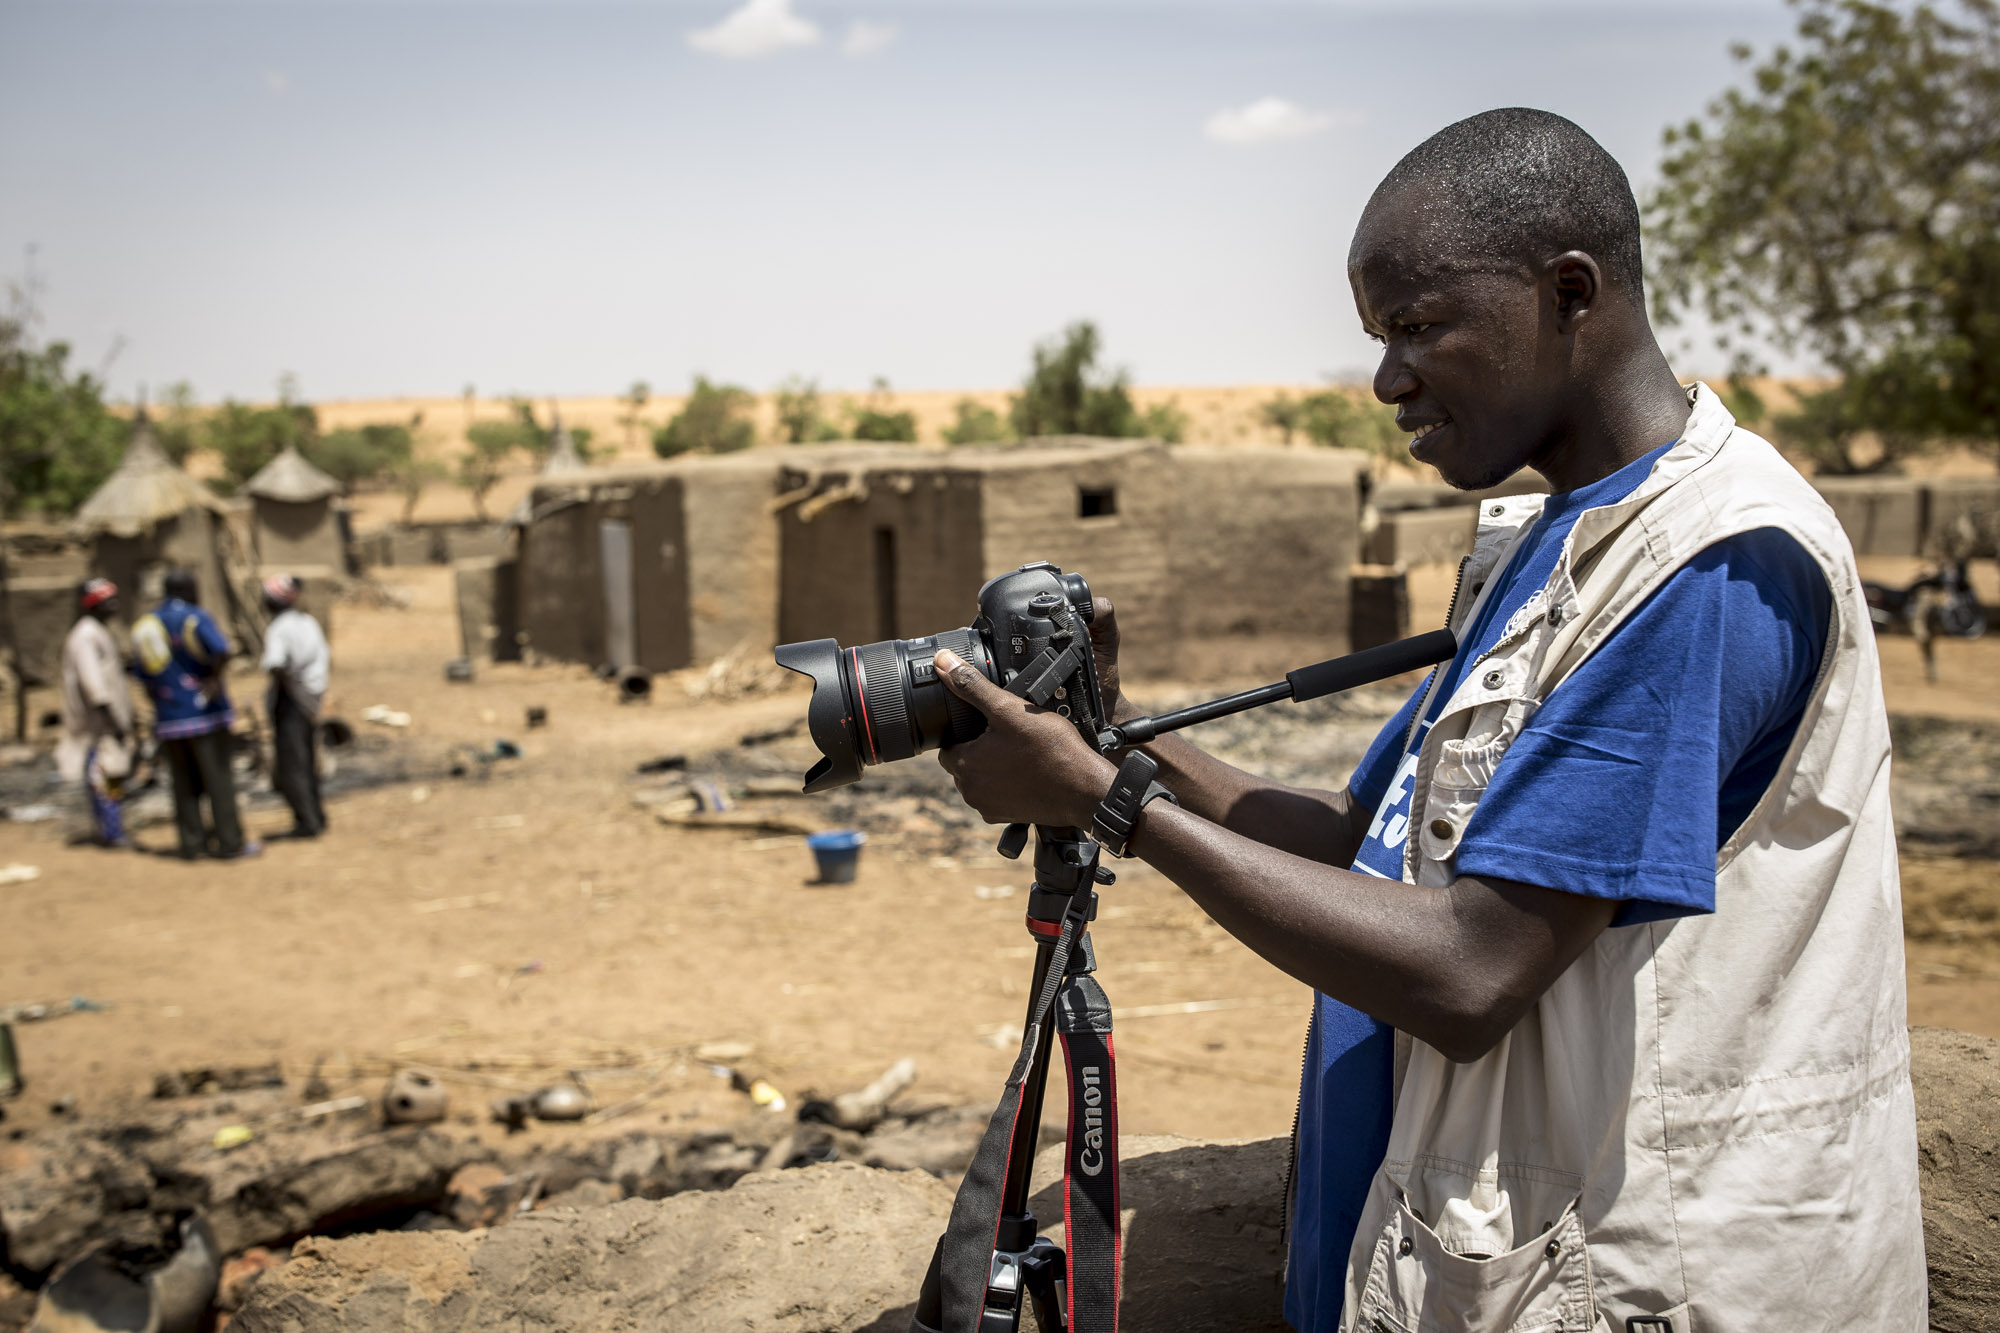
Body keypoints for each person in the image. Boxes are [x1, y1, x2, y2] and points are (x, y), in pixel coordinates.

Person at [928, 108, 1924, 1331]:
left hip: (1639, 1282)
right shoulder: (1554, 538)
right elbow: (1364, 846)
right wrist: (1123, 734)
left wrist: (1104, 803)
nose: (1385, 378)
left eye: (1415, 327)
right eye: (1375, 335)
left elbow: (1468, 968)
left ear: (1569, 293)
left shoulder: (1704, 569)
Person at [133, 569, 260, 860]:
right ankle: (230, 842)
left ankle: (192, 842)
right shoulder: (194, 618)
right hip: (205, 714)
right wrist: (213, 680)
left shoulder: (147, 625)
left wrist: (161, 697)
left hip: (168, 718)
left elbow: (141, 671)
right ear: (189, 589)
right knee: (218, 781)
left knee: (183, 783)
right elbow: (220, 649)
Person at [57, 578, 135, 847]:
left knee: (111, 773)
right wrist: (113, 721)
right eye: (106, 601)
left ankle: (112, 829)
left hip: (105, 721)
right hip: (98, 723)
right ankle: (110, 831)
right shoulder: (86, 636)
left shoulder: (97, 632)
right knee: (104, 774)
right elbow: (94, 686)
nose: (113, 605)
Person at [259, 574, 329, 838]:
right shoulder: (308, 623)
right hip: (310, 699)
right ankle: (317, 815)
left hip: (291, 701)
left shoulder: (279, 629)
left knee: (292, 765)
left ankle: (307, 821)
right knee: (308, 760)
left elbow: (276, 664)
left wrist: (286, 690)